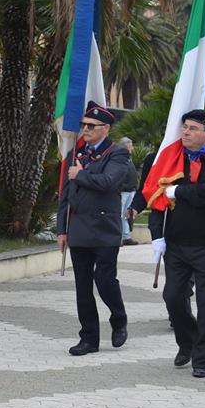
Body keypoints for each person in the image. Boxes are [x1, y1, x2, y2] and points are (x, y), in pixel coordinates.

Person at [150, 110, 205, 377]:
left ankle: (203, 356)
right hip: (177, 242)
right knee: (173, 297)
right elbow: (158, 197)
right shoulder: (173, 159)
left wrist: (180, 191)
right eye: (184, 127)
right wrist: (157, 236)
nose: (185, 132)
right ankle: (188, 342)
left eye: (193, 128)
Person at [57, 101, 130, 356]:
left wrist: (81, 176)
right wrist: (61, 230)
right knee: (83, 287)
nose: (85, 129)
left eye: (91, 126)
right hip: (78, 230)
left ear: (105, 129)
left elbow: (109, 182)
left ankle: (119, 317)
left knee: (105, 281)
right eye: (84, 125)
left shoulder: (117, 154)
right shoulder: (75, 156)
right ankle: (89, 338)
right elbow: (64, 197)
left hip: (104, 229)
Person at [118, 137, 138, 246]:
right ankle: (119, 237)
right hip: (123, 191)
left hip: (130, 190)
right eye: (130, 145)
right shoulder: (121, 157)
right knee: (120, 214)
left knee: (126, 214)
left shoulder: (129, 157)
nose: (132, 147)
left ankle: (126, 236)